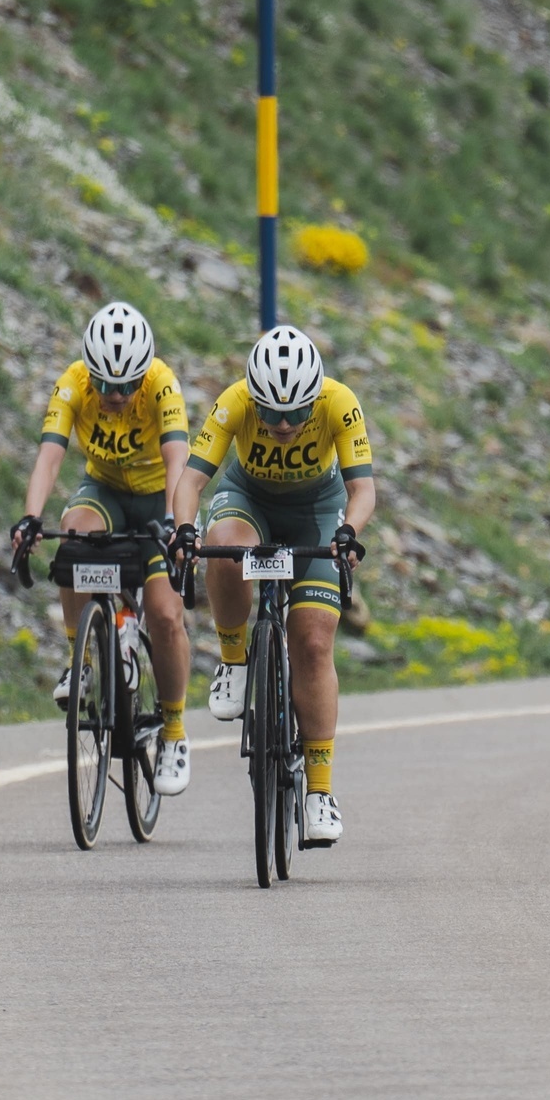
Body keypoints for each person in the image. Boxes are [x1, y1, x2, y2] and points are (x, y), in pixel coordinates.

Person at [170, 324, 374, 847]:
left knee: (311, 641)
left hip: (316, 511)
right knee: (222, 545)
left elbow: (362, 489)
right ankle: (235, 661)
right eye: (272, 413)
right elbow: (192, 480)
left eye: (296, 413)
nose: (283, 425)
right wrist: (184, 533)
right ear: (254, 397)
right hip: (249, 499)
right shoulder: (234, 401)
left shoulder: (339, 403)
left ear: (316, 398)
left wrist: (349, 533)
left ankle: (320, 791)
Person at [11, 303, 196, 796]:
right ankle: (81, 661)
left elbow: (179, 460)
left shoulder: (161, 383)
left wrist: (180, 527)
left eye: (126, 385)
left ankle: (174, 733)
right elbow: (49, 458)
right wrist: (30, 518)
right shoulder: (73, 383)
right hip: (107, 491)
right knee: (72, 538)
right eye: (106, 385)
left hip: (159, 498)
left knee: (164, 612)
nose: (116, 395)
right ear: (90, 371)